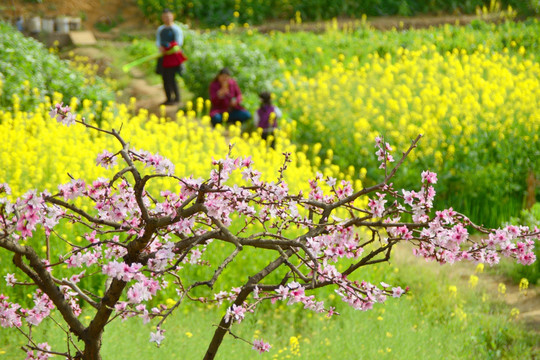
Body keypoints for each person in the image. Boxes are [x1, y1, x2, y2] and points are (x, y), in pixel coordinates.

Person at [156, 9, 187, 106]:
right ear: (162, 18)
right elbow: (158, 41)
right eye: (165, 17)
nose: (167, 19)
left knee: (172, 78)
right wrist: (161, 48)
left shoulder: (176, 29)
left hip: (173, 58)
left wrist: (169, 47)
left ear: (172, 17)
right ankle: (168, 98)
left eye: (168, 17)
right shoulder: (160, 29)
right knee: (165, 78)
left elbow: (179, 43)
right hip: (163, 57)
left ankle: (176, 99)